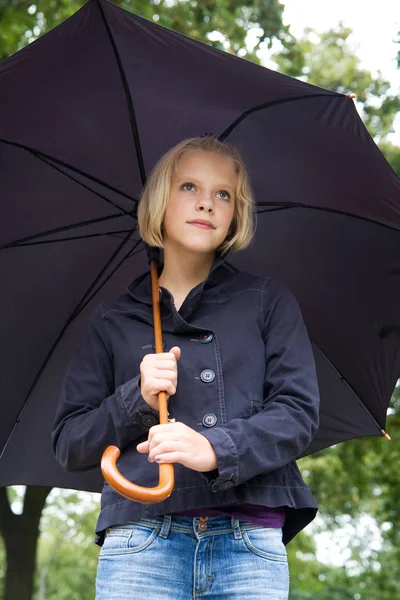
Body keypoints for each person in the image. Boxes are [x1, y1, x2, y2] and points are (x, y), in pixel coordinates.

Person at [52, 135, 320, 599]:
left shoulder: (267, 302)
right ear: (160, 200)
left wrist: (216, 448)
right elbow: (70, 442)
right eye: (189, 187)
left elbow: (297, 413)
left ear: (236, 214)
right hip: (141, 542)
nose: (208, 204)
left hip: (249, 544)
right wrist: (135, 396)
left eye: (223, 195)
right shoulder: (113, 319)